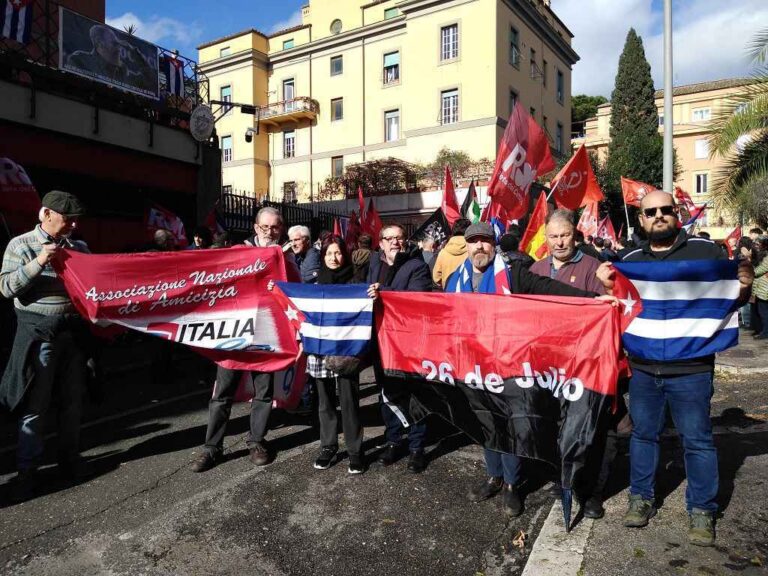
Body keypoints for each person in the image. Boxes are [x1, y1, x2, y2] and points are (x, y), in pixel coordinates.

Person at [596, 191, 754, 547]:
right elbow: (618, 305)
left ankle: (702, 509)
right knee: (642, 436)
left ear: (676, 213)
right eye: (650, 212)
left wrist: (743, 287)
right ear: (640, 220)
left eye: (666, 210)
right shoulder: (629, 259)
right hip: (644, 369)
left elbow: (732, 299)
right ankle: (641, 497)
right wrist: (607, 284)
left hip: (692, 369)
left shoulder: (707, 253)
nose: (659, 216)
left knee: (697, 440)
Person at [448, 222, 615, 518]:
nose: (479, 247)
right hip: (472, 364)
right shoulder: (454, 279)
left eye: (485, 241)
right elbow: (436, 310)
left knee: (510, 423)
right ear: (467, 245)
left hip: (509, 364)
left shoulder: (512, 273)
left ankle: (513, 485)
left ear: (494, 244)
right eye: (473, 241)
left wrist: (591, 300)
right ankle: (494, 476)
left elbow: (549, 289)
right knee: (485, 421)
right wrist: (382, 295)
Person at [191, 207, 300, 473]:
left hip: (266, 334)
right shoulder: (238, 252)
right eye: (265, 227)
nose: (270, 232)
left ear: (281, 229)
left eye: (275, 227)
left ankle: (256, 441)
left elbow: (296, 291)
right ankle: (212, 448)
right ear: (255, 227)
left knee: (263, 393)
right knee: (222, 394)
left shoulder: (286, 259)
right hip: (235, 332)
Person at [0, 191, 90, 500]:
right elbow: (6, 287)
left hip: (73, 337)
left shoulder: (79, 248)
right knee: (35, 406)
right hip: (40, 339)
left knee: (72, 402)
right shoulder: (21, 245)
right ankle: (28, 470)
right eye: (68, 219)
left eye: (76, 220)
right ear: (46, 214)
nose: (73, 226)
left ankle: (69, 459)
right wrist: (39, 261)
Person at [367, 224, 432, 473]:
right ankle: (394, 441)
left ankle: (417, 447)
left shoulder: (417, 265)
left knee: (414, 394)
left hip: (408, 343)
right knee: (386, 393)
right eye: (389, 238)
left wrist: (385, 293)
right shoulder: (374, 264)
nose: (395, 242)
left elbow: (417, 300)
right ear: (381, 242)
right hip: (380, 341)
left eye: (399, 237)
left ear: (405, 241)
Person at [307, 236, 369, 474]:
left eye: (338, 253)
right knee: (325, 403)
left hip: (346, 352)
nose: (334, 258)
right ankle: (328, 446)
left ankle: (355, 450)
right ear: (323, 256)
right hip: (320, 351)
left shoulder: (357, 282)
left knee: (349, 402)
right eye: (329, 254)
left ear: (345, 254)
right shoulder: (313, 285)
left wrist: (373, 293)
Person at [432, 218, 470, 288]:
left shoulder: (443, 253)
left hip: (449, 293)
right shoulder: (472, 251)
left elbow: (436, 277)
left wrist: (446, 282)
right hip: (468, 293)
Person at [752, 237, 768, 341]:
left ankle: (765, 332)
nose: (757, 247)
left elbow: (760, 270)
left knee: (764, 312)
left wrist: (751, 271)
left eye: (759, 245)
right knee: (761, 311)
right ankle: (762, 330)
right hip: (761, 287)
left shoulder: (767, 257)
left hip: (764, 288)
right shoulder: (763, 255)